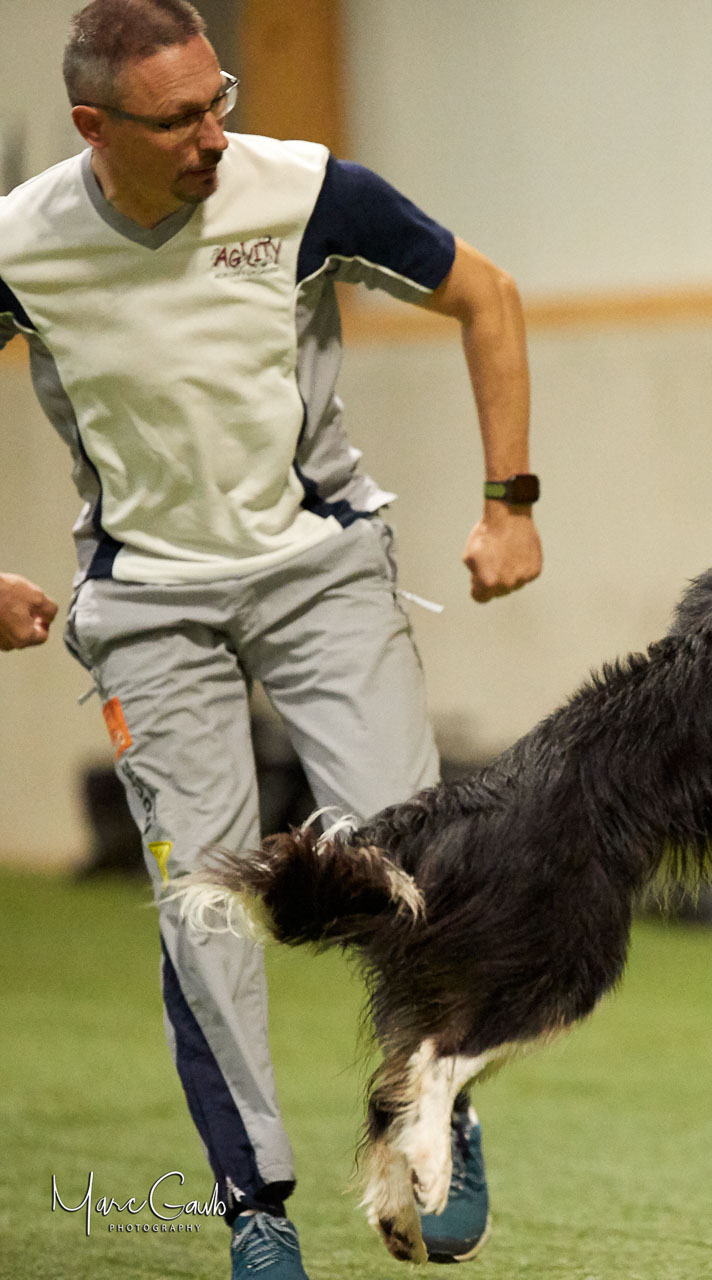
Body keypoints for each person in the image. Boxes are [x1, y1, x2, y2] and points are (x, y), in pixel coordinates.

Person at [0, 2, 542, 1274]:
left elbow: (488, 294)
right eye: (178, 119)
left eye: (220, 100)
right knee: (204, 907)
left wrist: (510, 503)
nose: (212, 135)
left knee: (412, 864)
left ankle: (437, 1114)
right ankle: (256, 1207)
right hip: (147, 602)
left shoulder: (303, 192)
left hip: (321, 573)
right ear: (94, 126)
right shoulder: (22, 243)